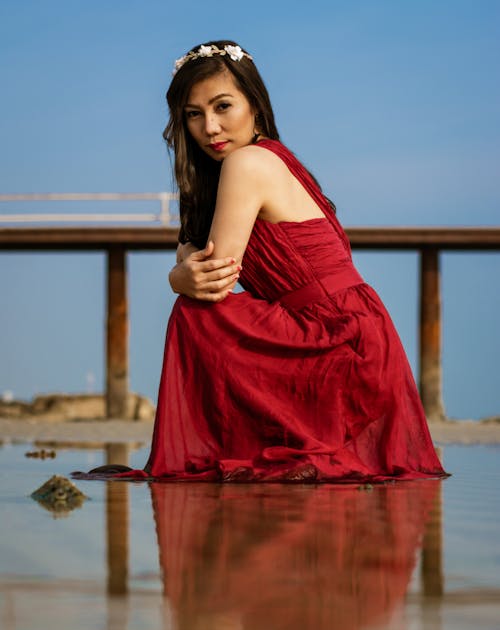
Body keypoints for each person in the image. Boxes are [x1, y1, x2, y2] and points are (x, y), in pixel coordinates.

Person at [81, 40, 447, 483]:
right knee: (201, 310)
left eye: (222, 106)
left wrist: (178, 275)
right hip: (358, 336)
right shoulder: (273, 158)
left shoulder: (248, 162)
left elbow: (214, 277)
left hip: (337, 339)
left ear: (254, 104)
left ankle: (239, 446)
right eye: (194, 114)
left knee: (196, 313)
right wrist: (187, 261)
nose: (210, 127)